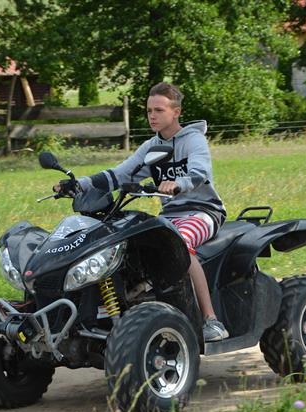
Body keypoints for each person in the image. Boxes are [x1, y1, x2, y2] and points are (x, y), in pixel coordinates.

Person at [55, 82, 229, 342]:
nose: (152, 116)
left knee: (179, 243)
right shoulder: (151, 147)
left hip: (202, 211)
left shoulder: (194, 140)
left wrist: (178, 184)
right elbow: (118, 175)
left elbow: (199, 172)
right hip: (169, 216)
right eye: (149, 111)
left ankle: (210, 320)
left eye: (159, 110)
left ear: (176, 112)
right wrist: (79, 184)